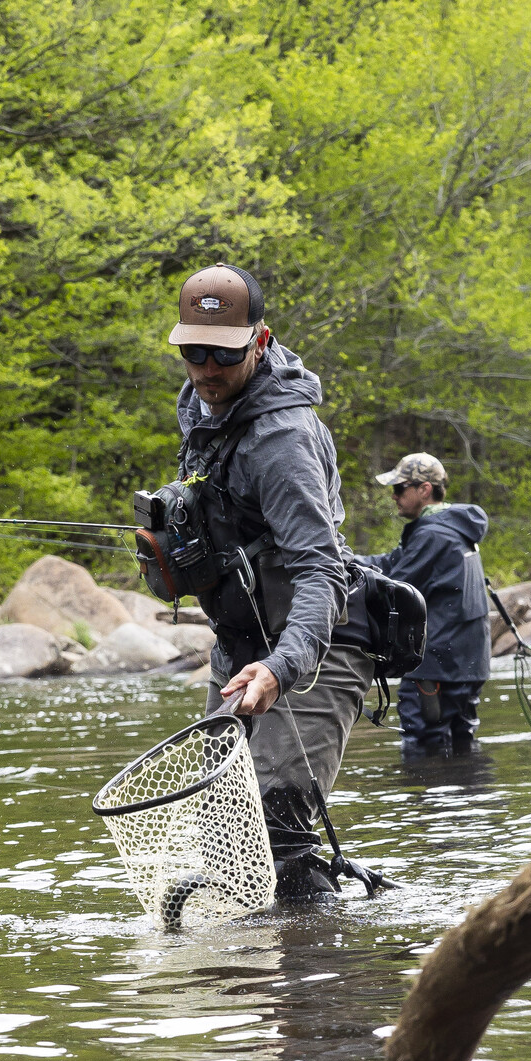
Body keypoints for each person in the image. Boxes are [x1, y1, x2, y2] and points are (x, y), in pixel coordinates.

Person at [169, 263, 375, 898]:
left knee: (274, 836)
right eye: (191, 352)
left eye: (222, 355)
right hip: (241, 647)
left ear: (259, 341)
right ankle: (257, 986)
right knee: (226, 835)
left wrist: (281, 669)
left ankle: (315, 986)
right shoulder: (201, 404)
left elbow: (321, 568)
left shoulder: (281, 439)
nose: (205, 369)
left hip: (317, 647)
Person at [358, 452, 491, 758]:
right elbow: (391, 563)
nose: (394, 496)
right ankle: (466, 802)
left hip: (437, 665)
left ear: (424, 490)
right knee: (462, 744)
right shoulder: (452, 528)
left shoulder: (432, 535)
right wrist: (348, 560)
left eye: (400, 488)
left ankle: (426, 806)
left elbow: (393, 585)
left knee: (422, 746)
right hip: (468, 663)